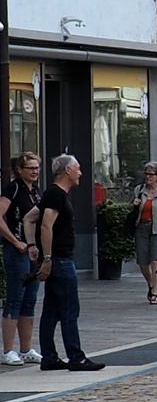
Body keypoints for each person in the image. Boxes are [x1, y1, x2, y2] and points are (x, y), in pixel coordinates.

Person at [29, 156, 103, 371]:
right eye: (78, 169)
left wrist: (33, 247)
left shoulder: (54, 194)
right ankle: (76, 357)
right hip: (60, 260)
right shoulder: (55, 194)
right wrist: (48, 257)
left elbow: (29, 217)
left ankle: (49, 357)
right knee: (69, 309)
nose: (80, 173)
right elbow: (45, 225)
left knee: (52, 310)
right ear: (67, 170)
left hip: (58, 259)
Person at [0, 153, 42, 364]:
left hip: (34, 251)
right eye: (30, 168)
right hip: (17, 250)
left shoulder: (35, 191)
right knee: (15, 299)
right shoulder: (13, 188)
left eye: (36, 168)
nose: (34, 171)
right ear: (20, 169)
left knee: (30, 300)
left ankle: (26, 348)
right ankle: (8, 350)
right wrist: (15, 241)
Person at [131, 162, 157, 305]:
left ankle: (155, 291)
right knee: (143, 263)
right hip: (142, 227)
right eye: (146, 174)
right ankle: (150, 284)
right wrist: (134, 205)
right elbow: (133, 211)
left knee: (156, 261)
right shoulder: (139, 190)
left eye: (151, 174)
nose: (148, 177)